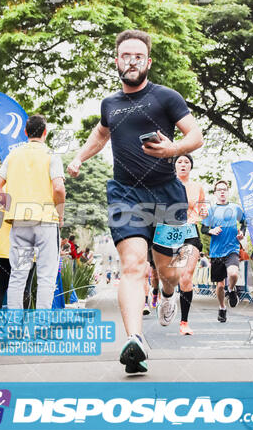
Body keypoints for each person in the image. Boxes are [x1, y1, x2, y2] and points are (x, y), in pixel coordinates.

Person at [67, 29, 203, 374]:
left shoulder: (166, 98)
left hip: (167, 193)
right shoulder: (109, 104)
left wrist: (173, 149)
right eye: (125, 56)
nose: (131, 61)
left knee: (167, 272)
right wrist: (79, 158)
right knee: (133, 264)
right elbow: (101, 133)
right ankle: (136, 342)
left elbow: (196, 135)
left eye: (138, 56)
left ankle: (169, 295)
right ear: (116, 61)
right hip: (126, 193)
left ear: (148, 62)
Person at [0, 114, 65, 309]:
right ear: (45, 133)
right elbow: (58, 188)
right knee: (46, 277)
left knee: (18, 276)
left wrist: (10, 208)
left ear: (25, 132)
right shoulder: (52, 156)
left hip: (20, 224)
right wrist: (60, 215)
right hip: (45, 223)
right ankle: (41, 329)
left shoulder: (13, 155)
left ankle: (14, 328)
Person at [201, 179, 246, 323]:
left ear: (227, 192)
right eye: (219, 190)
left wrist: (242, 234)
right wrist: (211, 230)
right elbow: (203, 229)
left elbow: (244, 222)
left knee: (233, 273)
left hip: (232, 248)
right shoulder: (211, 211)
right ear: (215, 193)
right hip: (216, 252)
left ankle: (232, 290)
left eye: (224, 189)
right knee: (219, 286)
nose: (222, 192)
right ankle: (222, 307)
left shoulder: (235, 208)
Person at [175, 154, 208, 335]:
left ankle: (184, 322)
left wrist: (201, 213)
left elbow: (203, 211)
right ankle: (163, 297)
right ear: (174, 166)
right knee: (169, 277)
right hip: (168, 232)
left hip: (189, 232)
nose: (183, 164)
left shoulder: (197, 187)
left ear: (191, 167)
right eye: (179, 161)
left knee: (186, 276)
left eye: (186, 162)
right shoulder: (166, 184)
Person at [0, 197, 35, 309]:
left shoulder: (0, 187)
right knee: (24, 289)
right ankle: (20, 325)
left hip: (2, 246)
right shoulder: (26, 186)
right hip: (24, 246)